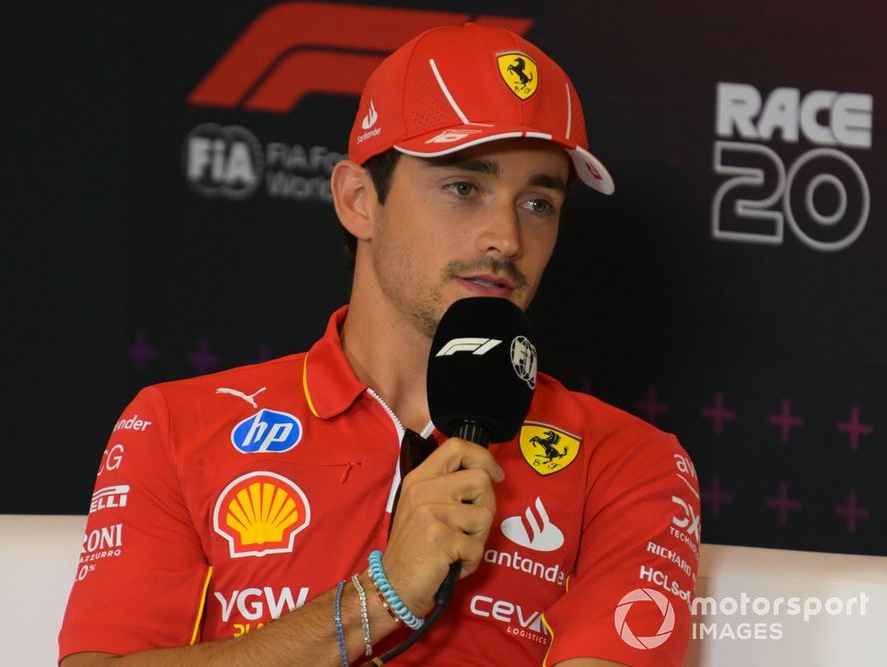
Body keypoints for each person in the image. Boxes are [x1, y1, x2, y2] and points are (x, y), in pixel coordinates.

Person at [60, 23, 700, 667]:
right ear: (358, 200)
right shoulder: (175, 426)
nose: (505, 238)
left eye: (538, 203)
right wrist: (380, 598)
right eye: (463, 188)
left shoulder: (630, 464)